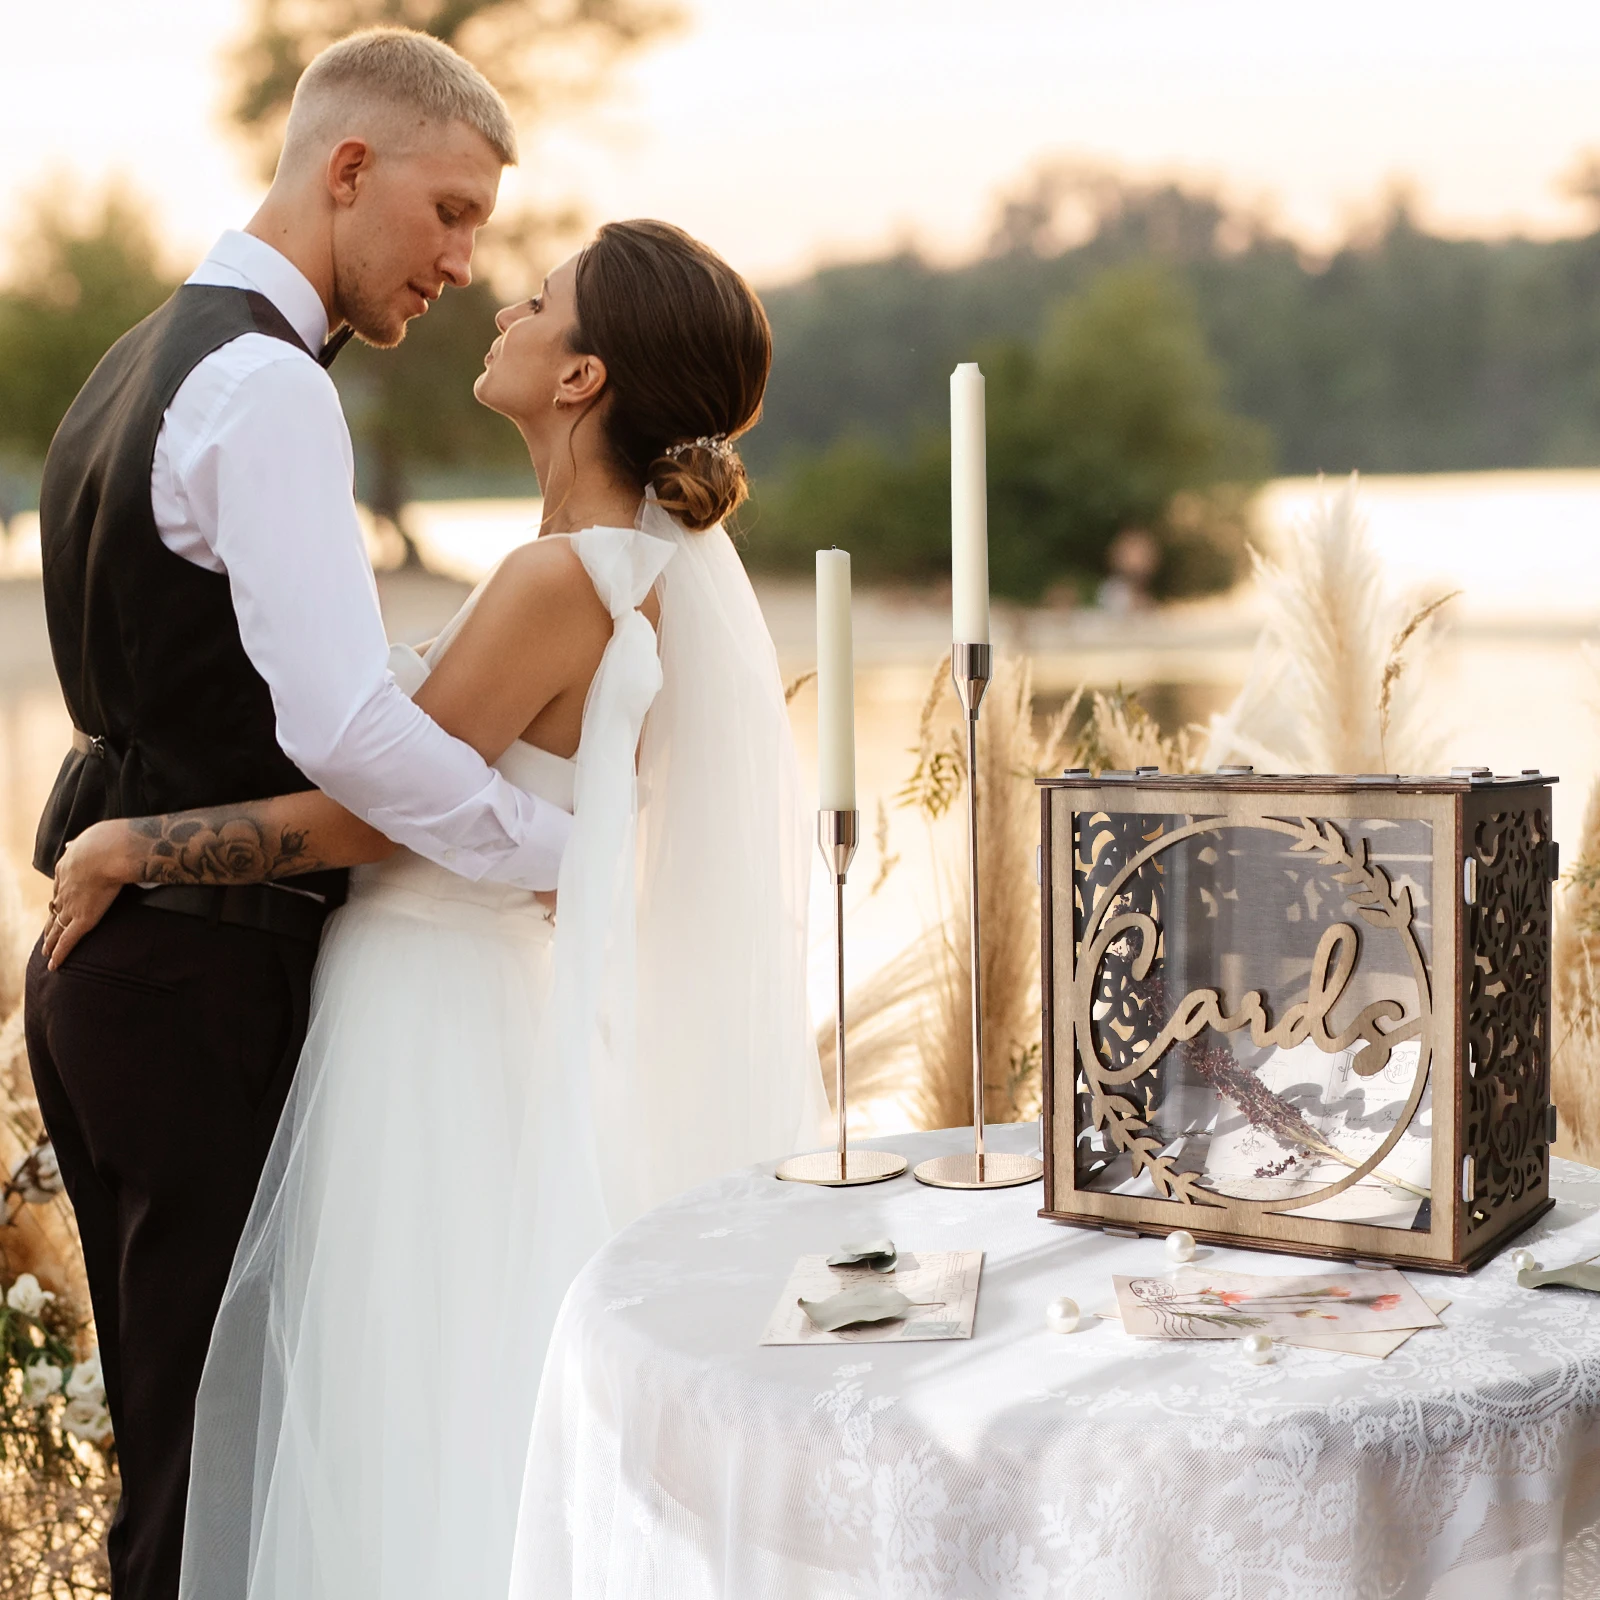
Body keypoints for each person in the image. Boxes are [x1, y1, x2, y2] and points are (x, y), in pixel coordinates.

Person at [49, 216, 828, 1597]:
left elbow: (371, 813)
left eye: (539, 301)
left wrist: (135, 846)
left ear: (582, 378)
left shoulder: (555, 580)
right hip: (470, 1001)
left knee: (390, 1407)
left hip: (426, 1016)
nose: (501, 309)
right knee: (434, 1392)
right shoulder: (607, 574)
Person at [24, 29, 573, 1599]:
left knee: (178, 1456)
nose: (466, 262)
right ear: (349, 169)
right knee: (216, 1469)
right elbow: (348, 732)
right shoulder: (264, 389)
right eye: (450, 213)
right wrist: (566, 855)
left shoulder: (140, 355)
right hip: (196, 974)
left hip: (110, 964)